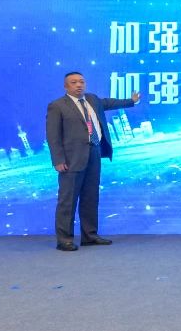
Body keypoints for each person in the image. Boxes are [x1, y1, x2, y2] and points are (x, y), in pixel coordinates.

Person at [45, 72, 139, 251]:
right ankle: (64, 240)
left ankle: (90, 235)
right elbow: (53, 136)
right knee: (68, 200)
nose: (78, 85)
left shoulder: (92, 100)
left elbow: (109, 103)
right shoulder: (57, 106)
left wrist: (131, 101)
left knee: (90, 197)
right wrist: (58, 160)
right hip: (71, 159)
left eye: (81, 81)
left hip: (94, 153)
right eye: (74, 82)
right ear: (66, 86)